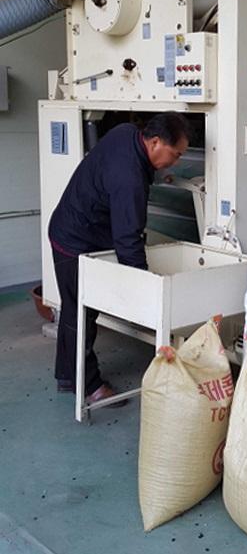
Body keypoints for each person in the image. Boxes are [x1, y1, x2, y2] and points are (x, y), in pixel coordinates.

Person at [49, 112, 190, 403]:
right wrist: (145, 288)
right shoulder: (130, 179)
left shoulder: (126, 132)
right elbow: (128, 239)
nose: (175, 162)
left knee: (74, 309)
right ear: (154, 142)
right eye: (175, 154)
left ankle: (68, 375)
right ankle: (89, 386)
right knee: (81, 314)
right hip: (75, 240)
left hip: (71, 228)